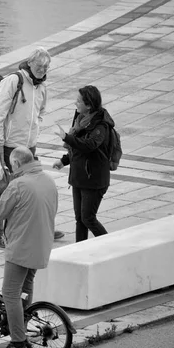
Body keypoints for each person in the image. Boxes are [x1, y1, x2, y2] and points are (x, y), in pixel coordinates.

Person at [0, 146, 58, 348]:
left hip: (21, 249)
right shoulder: (48, 180)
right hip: (42, 244)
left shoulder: (18, 185)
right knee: (25, 288)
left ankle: (18, 343)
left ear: (17, 164)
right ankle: (22, 325)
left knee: (10, 293)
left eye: (11, 164)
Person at [0, 47, 63, 248]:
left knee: (29, 189)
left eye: (46, 66)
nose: (42, 69)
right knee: (4, 189)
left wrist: (35, 132)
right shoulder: (13, 81)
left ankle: (29, 229)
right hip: (10, 145)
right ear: (30, 63)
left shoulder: (42, 86)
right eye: (39, 65)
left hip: (29, 146)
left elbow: (41, 111)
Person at [53, 85, 113, 242]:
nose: (75, 103)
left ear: (89, 105)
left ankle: (110, 244)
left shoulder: (101, 125)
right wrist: (64, 161)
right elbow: (77, 148)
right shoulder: (80, 119)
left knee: (88, 218)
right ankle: (79, 249)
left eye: (78, 101)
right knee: (79, 218)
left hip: (93, 180)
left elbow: (89, 145)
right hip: (79, 177)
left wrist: (66, 137)